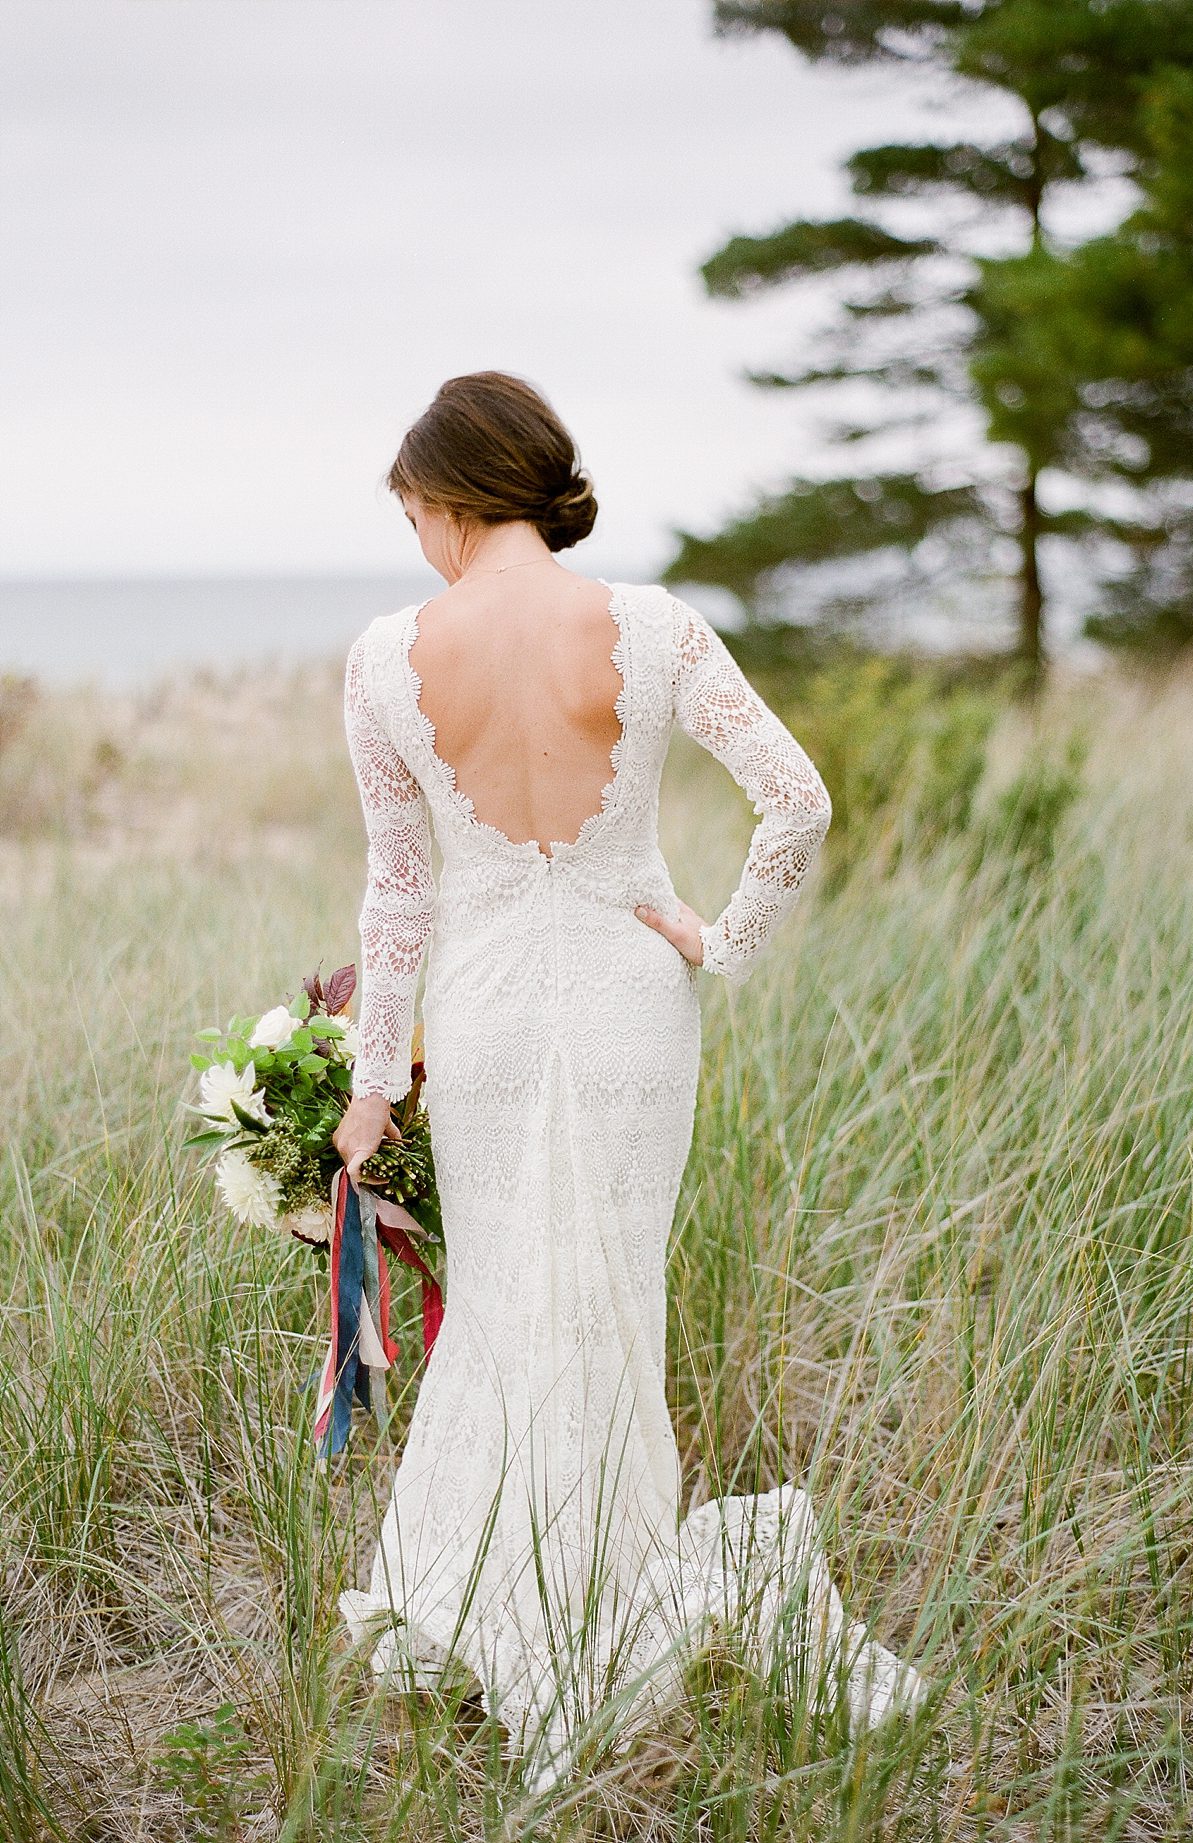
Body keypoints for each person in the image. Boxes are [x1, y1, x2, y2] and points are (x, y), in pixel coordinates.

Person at [332, 370, 925, 1793]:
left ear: (444, 502)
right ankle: (596, 1589)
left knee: (511, 1301)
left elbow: (398, 895)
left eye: (412, 513)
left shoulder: (380, 656)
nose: (415, 537)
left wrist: (371, 1084)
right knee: (607, 1297)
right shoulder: (655, 629)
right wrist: (722, 944)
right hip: (626, 1005)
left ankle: (507, 1599)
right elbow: (797, 799)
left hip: (481, 1020)